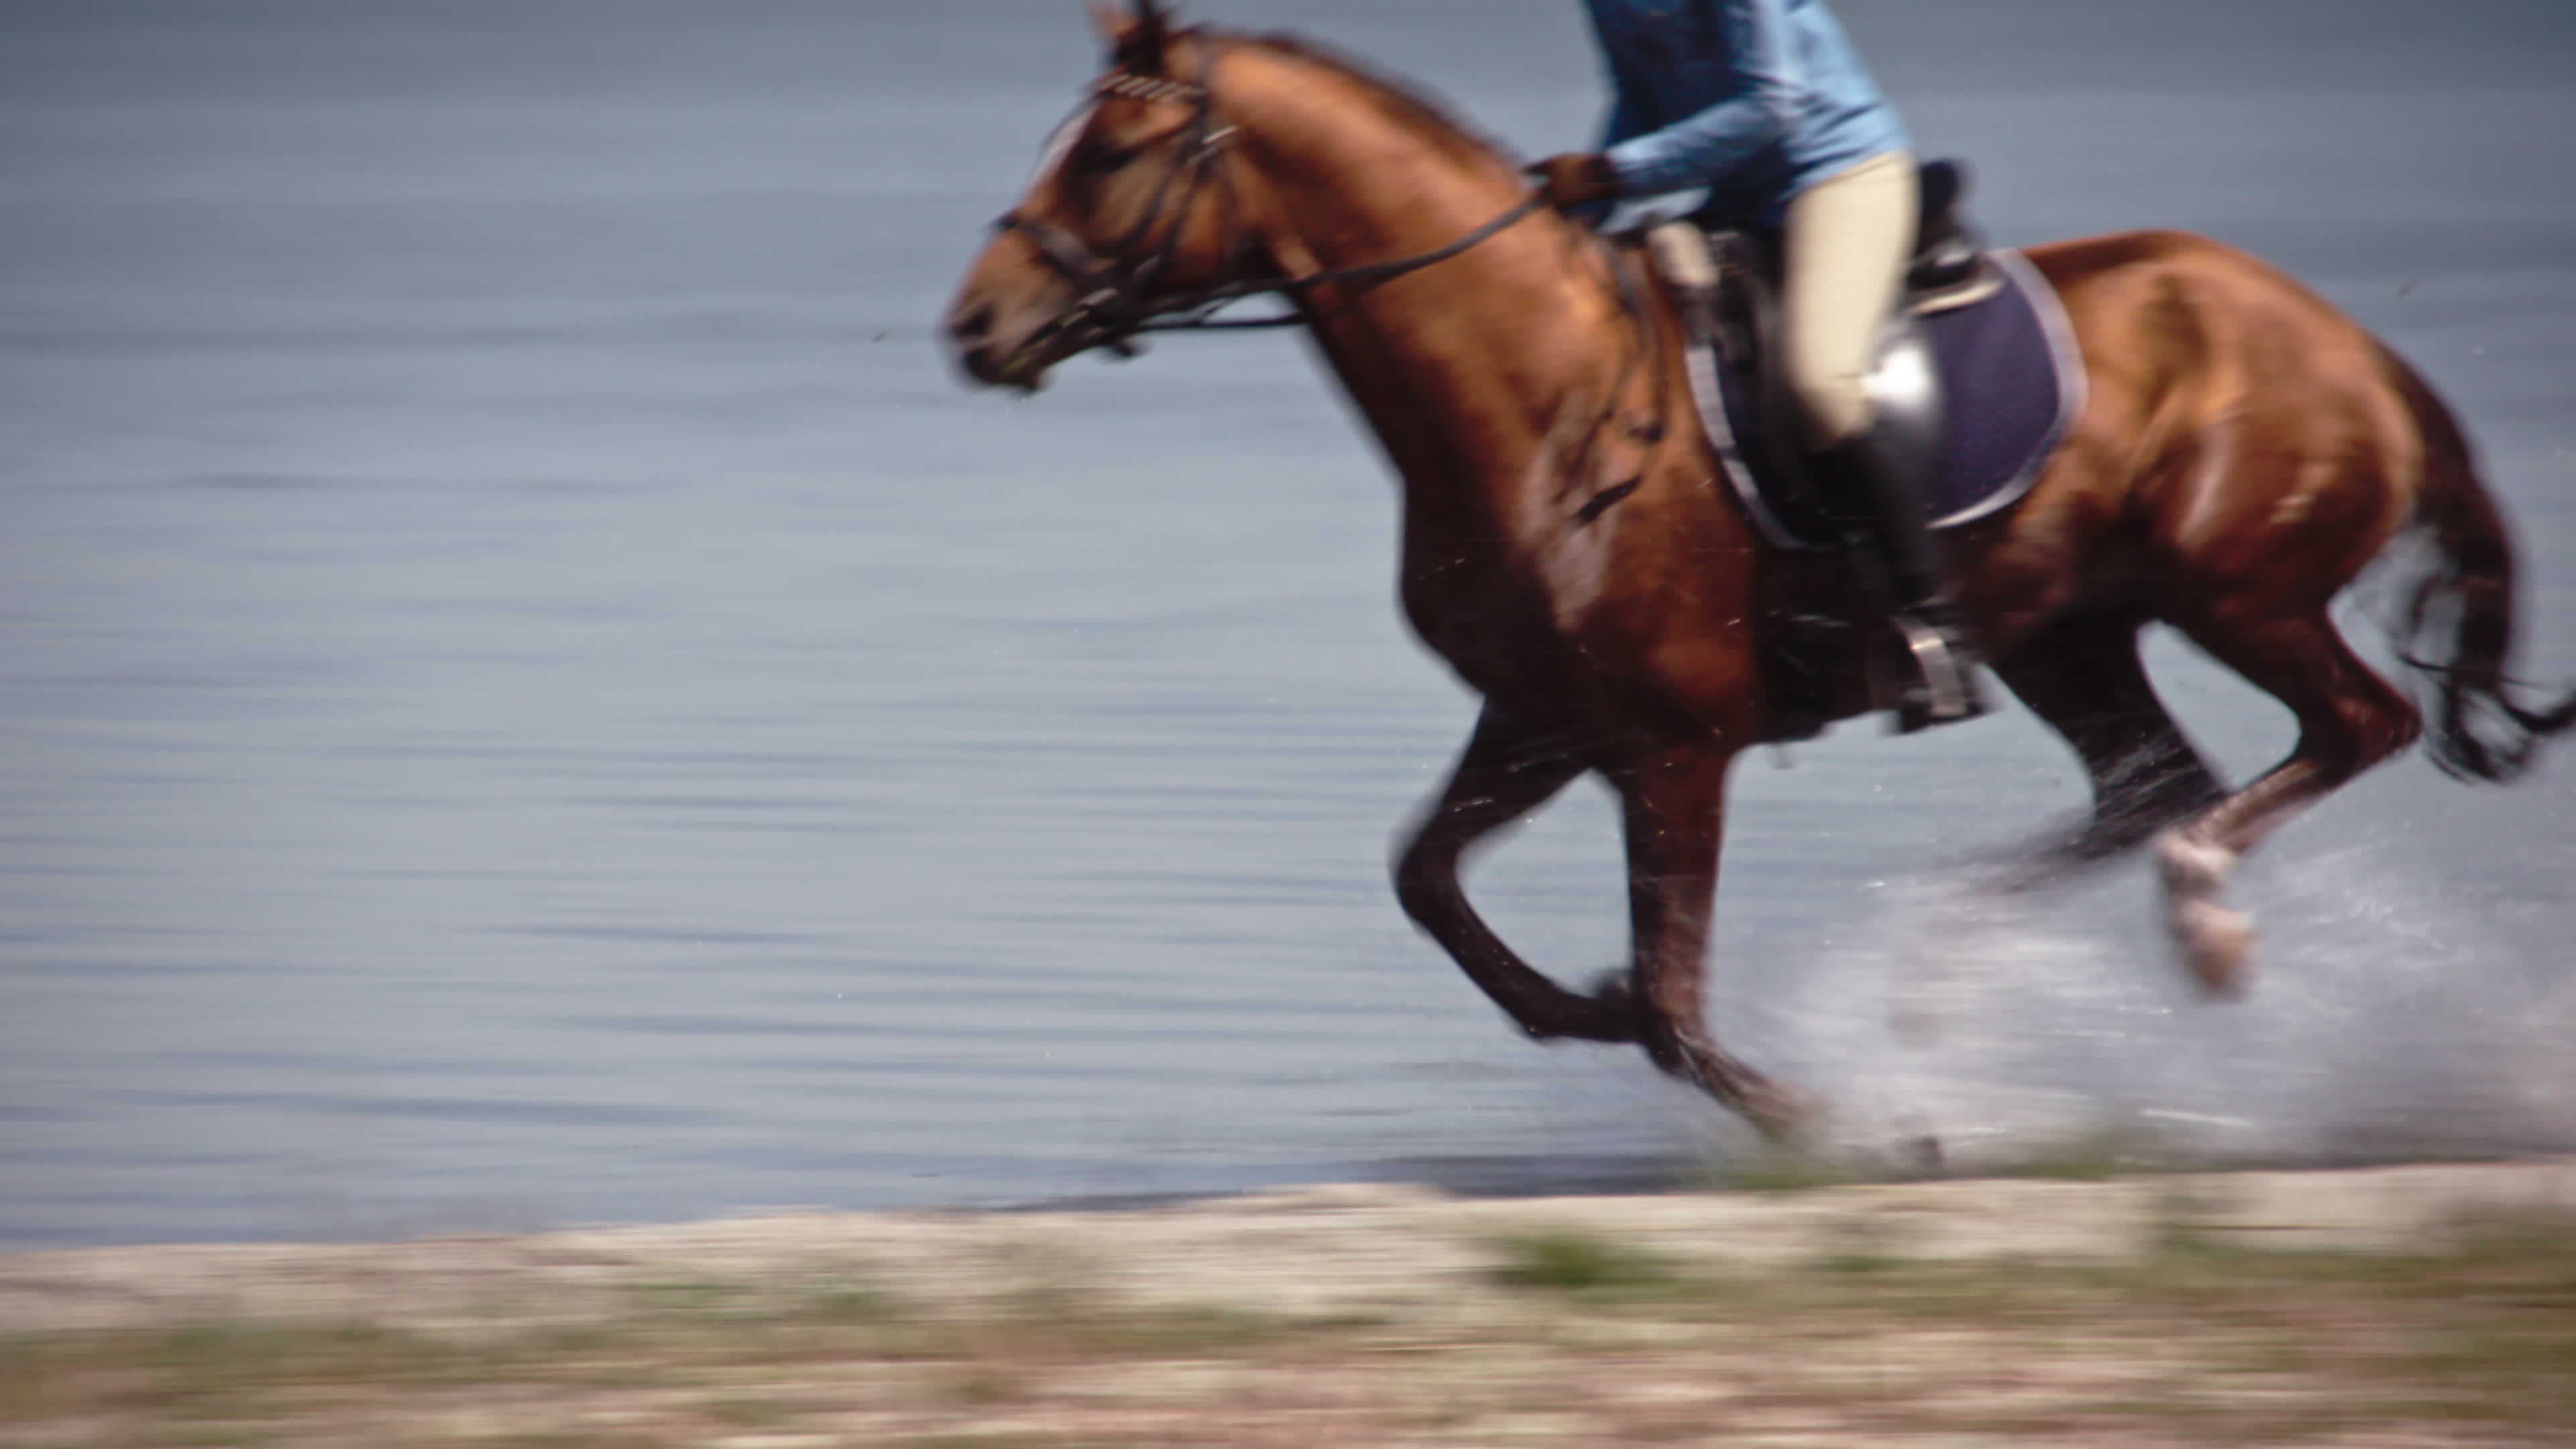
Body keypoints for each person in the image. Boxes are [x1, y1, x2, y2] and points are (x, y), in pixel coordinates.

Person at [1532, 0, 1986, 728]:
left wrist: (1617, 172)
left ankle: (1936, 631)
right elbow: (1640, 100)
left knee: (1821, 384)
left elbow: (1775, 104)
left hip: (1839, 176)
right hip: (1737, 196)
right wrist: (1575, 218)